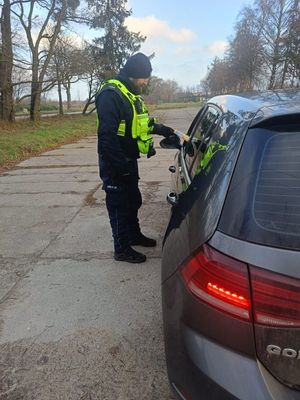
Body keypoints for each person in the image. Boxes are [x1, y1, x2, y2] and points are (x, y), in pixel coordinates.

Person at [96, 53, 174, 263]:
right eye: (145, 77)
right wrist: (121, 166)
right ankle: (121, 248)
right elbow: (106, 136)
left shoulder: (130, 95)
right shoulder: (110, 94)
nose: (146, 82)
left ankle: (133, 234)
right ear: (134, 74)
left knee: (132, 200)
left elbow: (141, 123)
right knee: (119, 204)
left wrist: (164, 130)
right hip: (115, 163)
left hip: (128, 160)